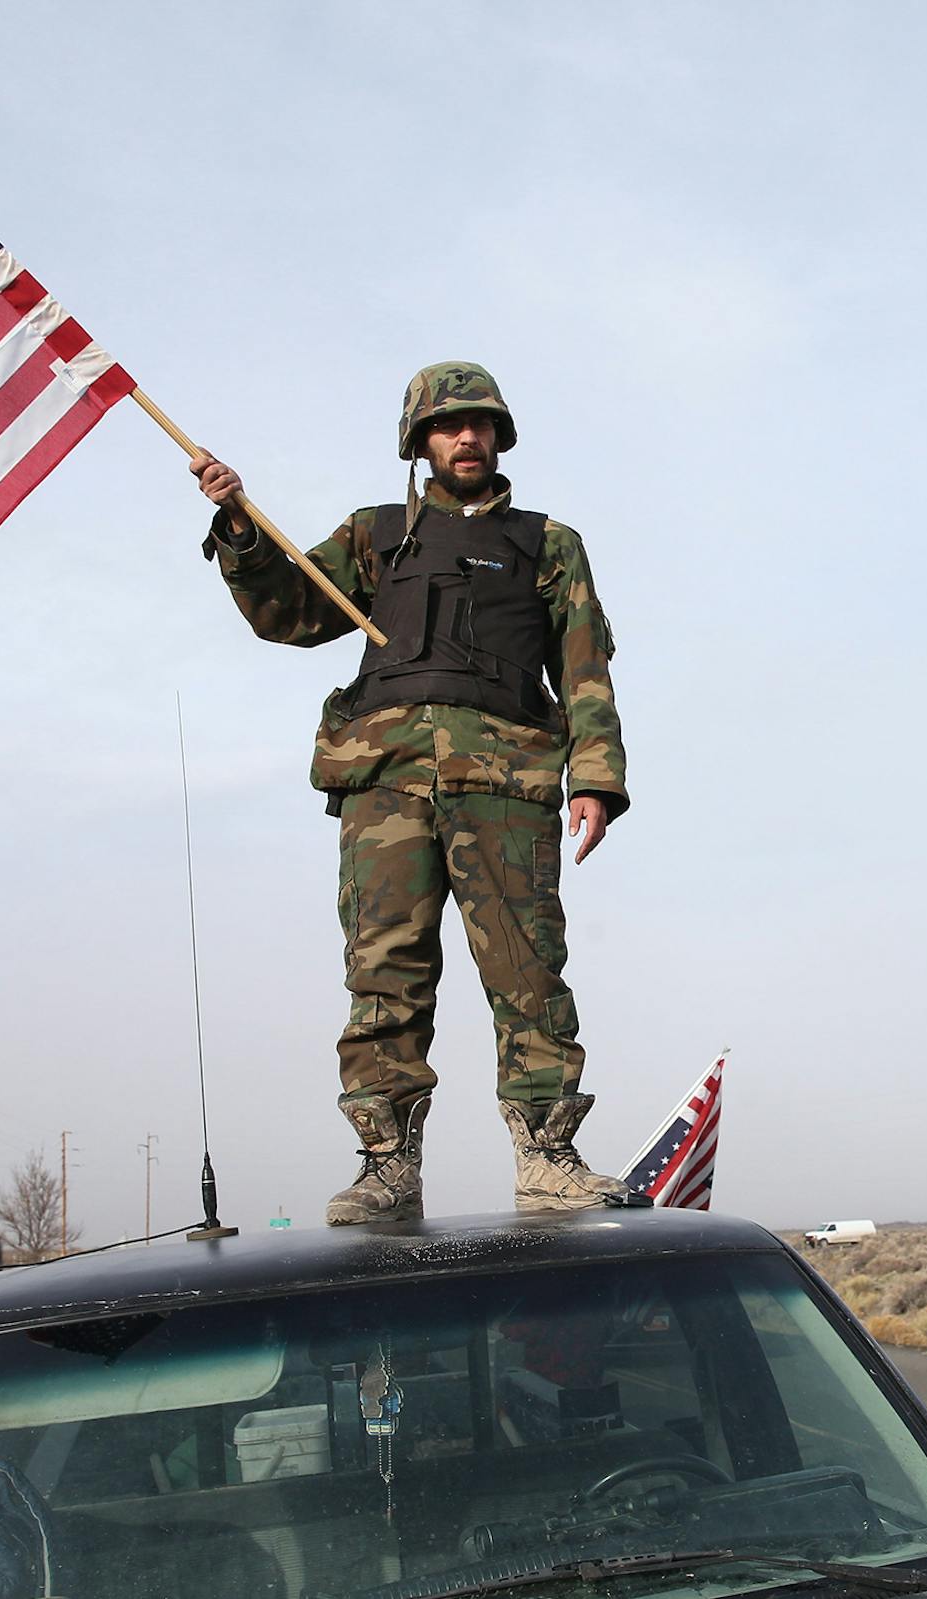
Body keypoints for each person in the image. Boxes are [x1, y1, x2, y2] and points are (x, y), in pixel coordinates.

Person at [189, 362, 640, 1225]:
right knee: (384, 974)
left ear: (500, 435)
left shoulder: (550, 546)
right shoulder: (374, 535)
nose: (464, 437)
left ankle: (547, 1156)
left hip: (506, 782)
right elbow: (288, 612)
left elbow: (585, 673)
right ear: (419, 440)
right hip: (386, 782)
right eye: (446, 425)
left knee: (528, 971)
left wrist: (595, 781)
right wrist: (240, 527)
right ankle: (387, 1163)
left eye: (479, 423)